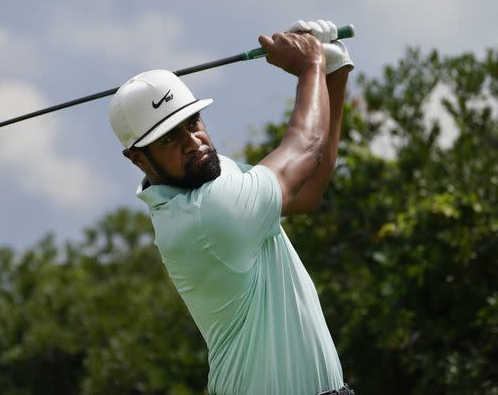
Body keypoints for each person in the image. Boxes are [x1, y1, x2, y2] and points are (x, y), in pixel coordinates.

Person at [108, 20, 355, 395]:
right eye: (170, 138)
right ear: (136, 158)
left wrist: (332, 74)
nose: (193, 142)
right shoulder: (207, 213)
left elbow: (306, 192)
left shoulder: (209, 180)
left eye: (193, 122)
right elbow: (305, 146)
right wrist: (311, 67)